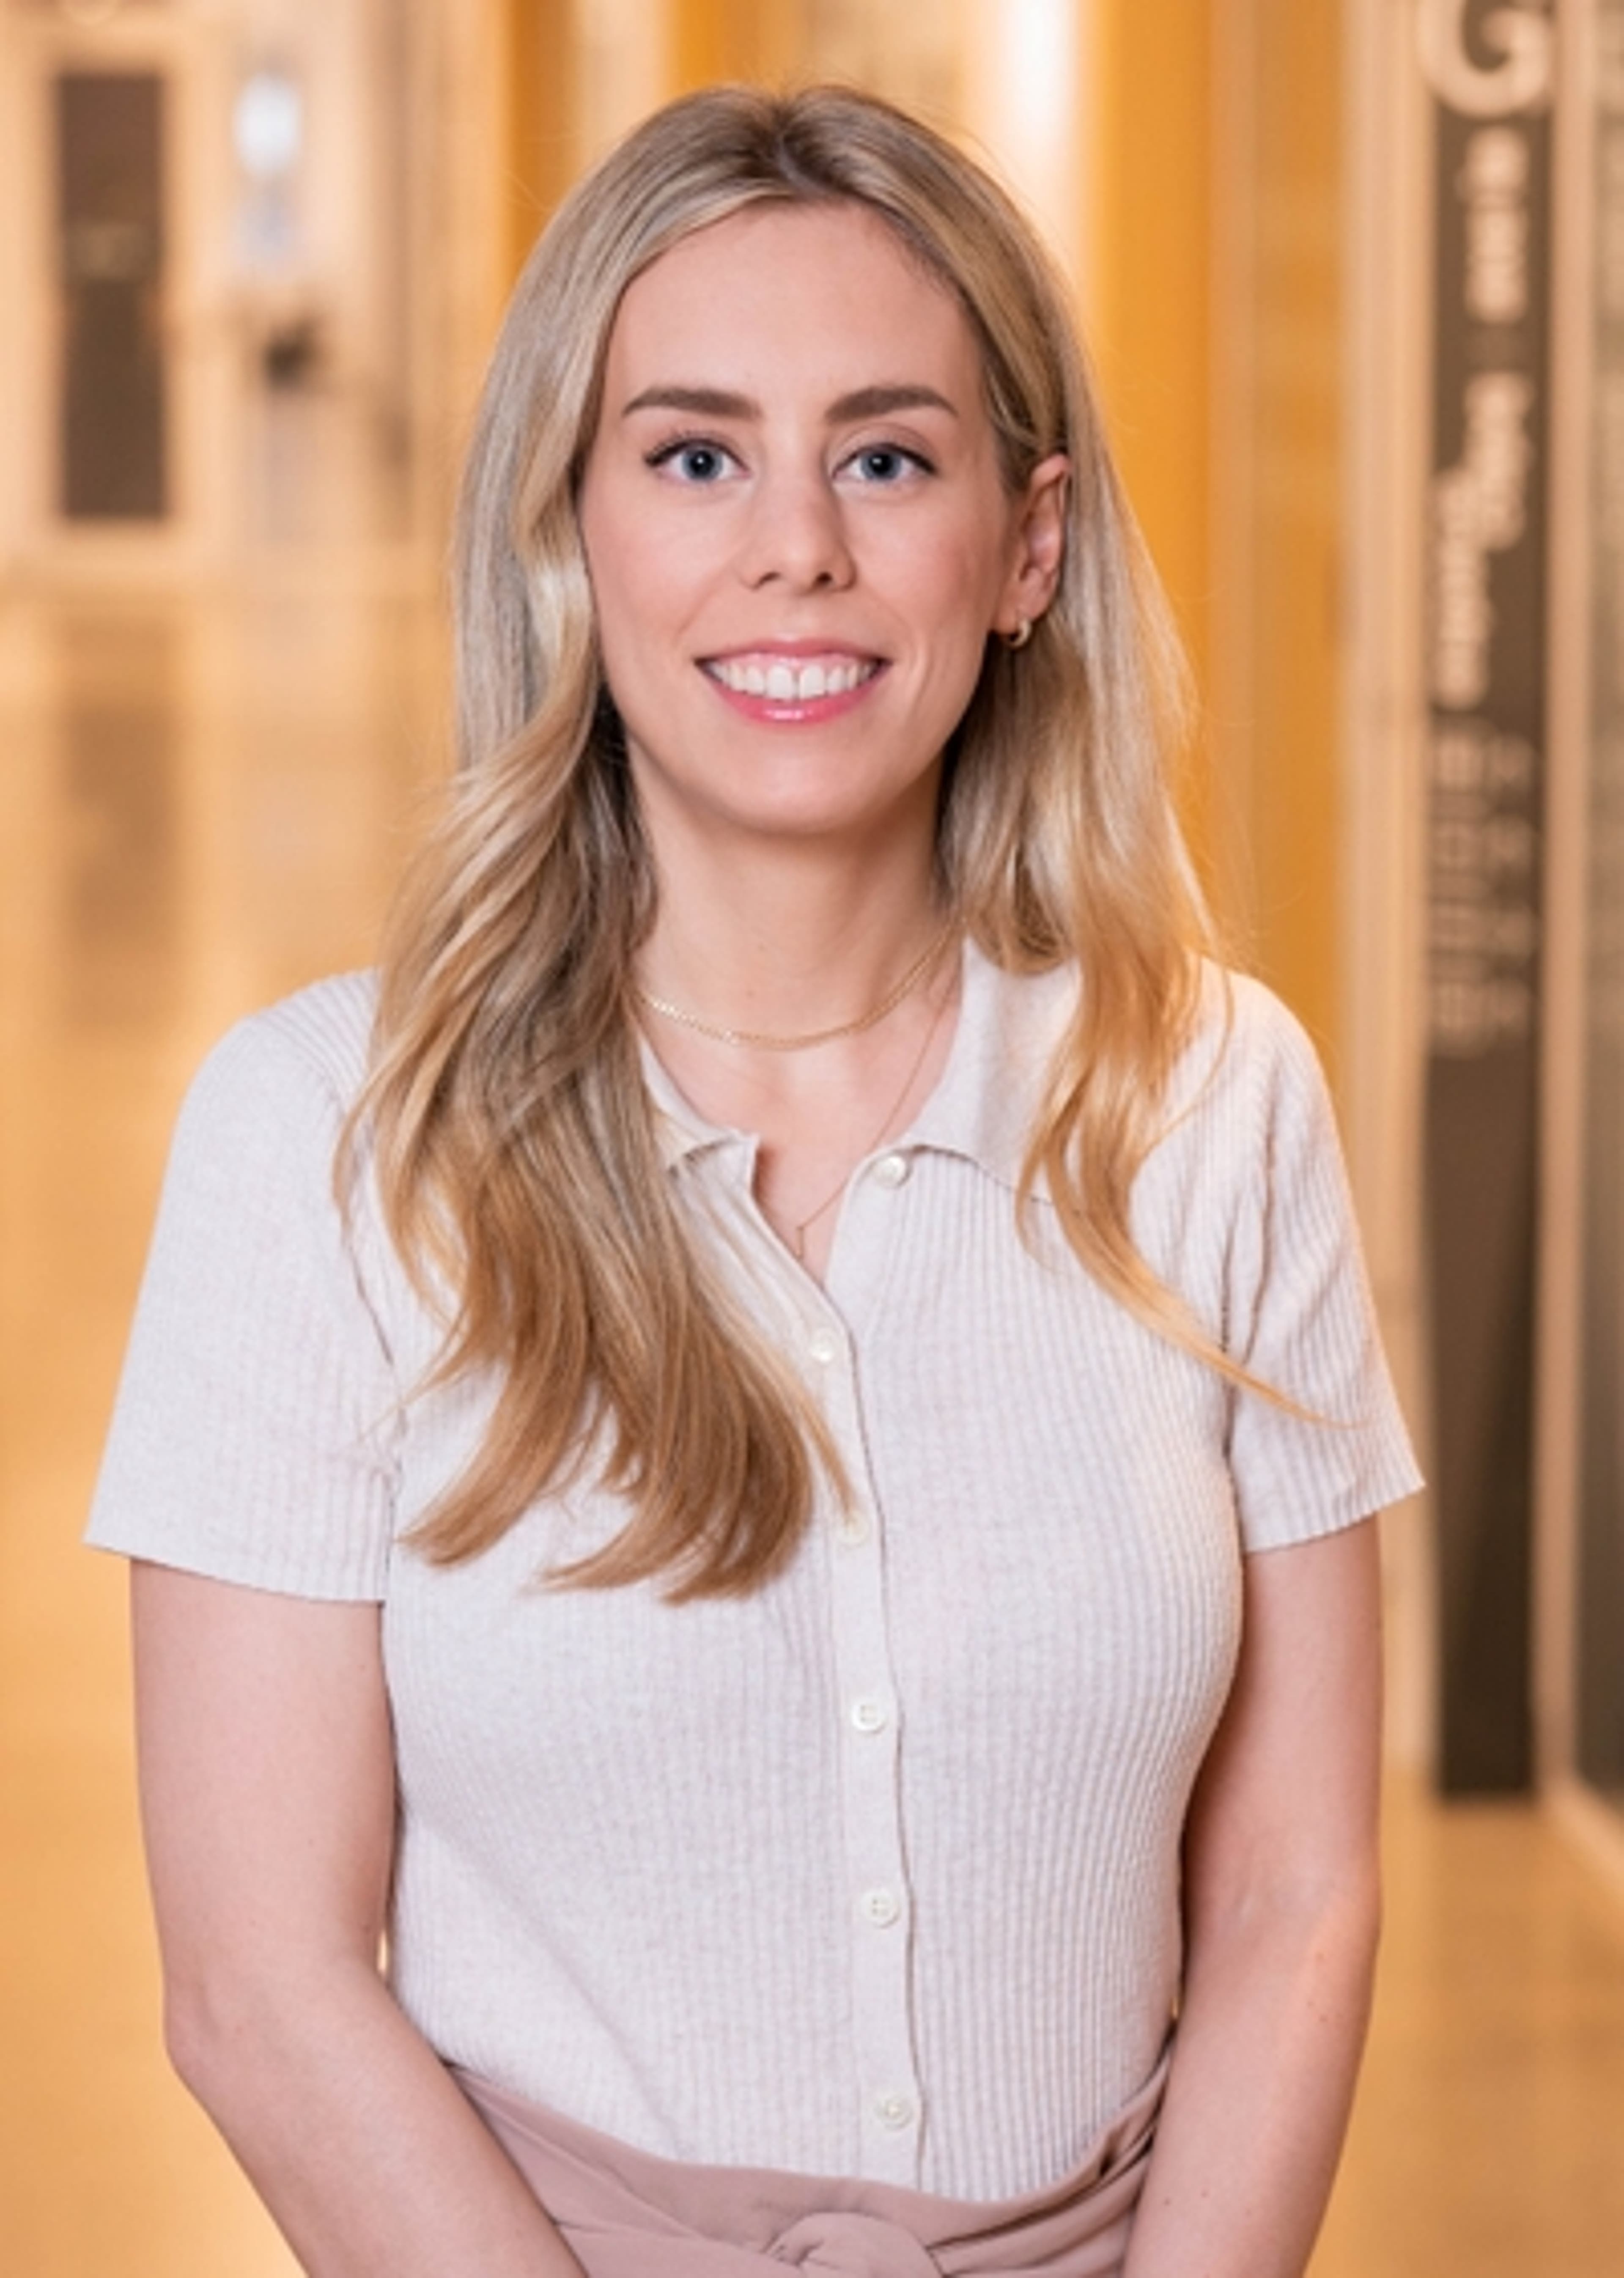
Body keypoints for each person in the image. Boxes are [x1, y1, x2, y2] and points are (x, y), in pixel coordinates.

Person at [88, 82, 1421, 2278]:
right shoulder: (325, 1137)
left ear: (1029, 547)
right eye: (696, 455)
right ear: (571, 530)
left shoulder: (1218, 1106)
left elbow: (1296, 1892)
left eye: (886, 457)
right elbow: (258, 1991)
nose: (793, 545)